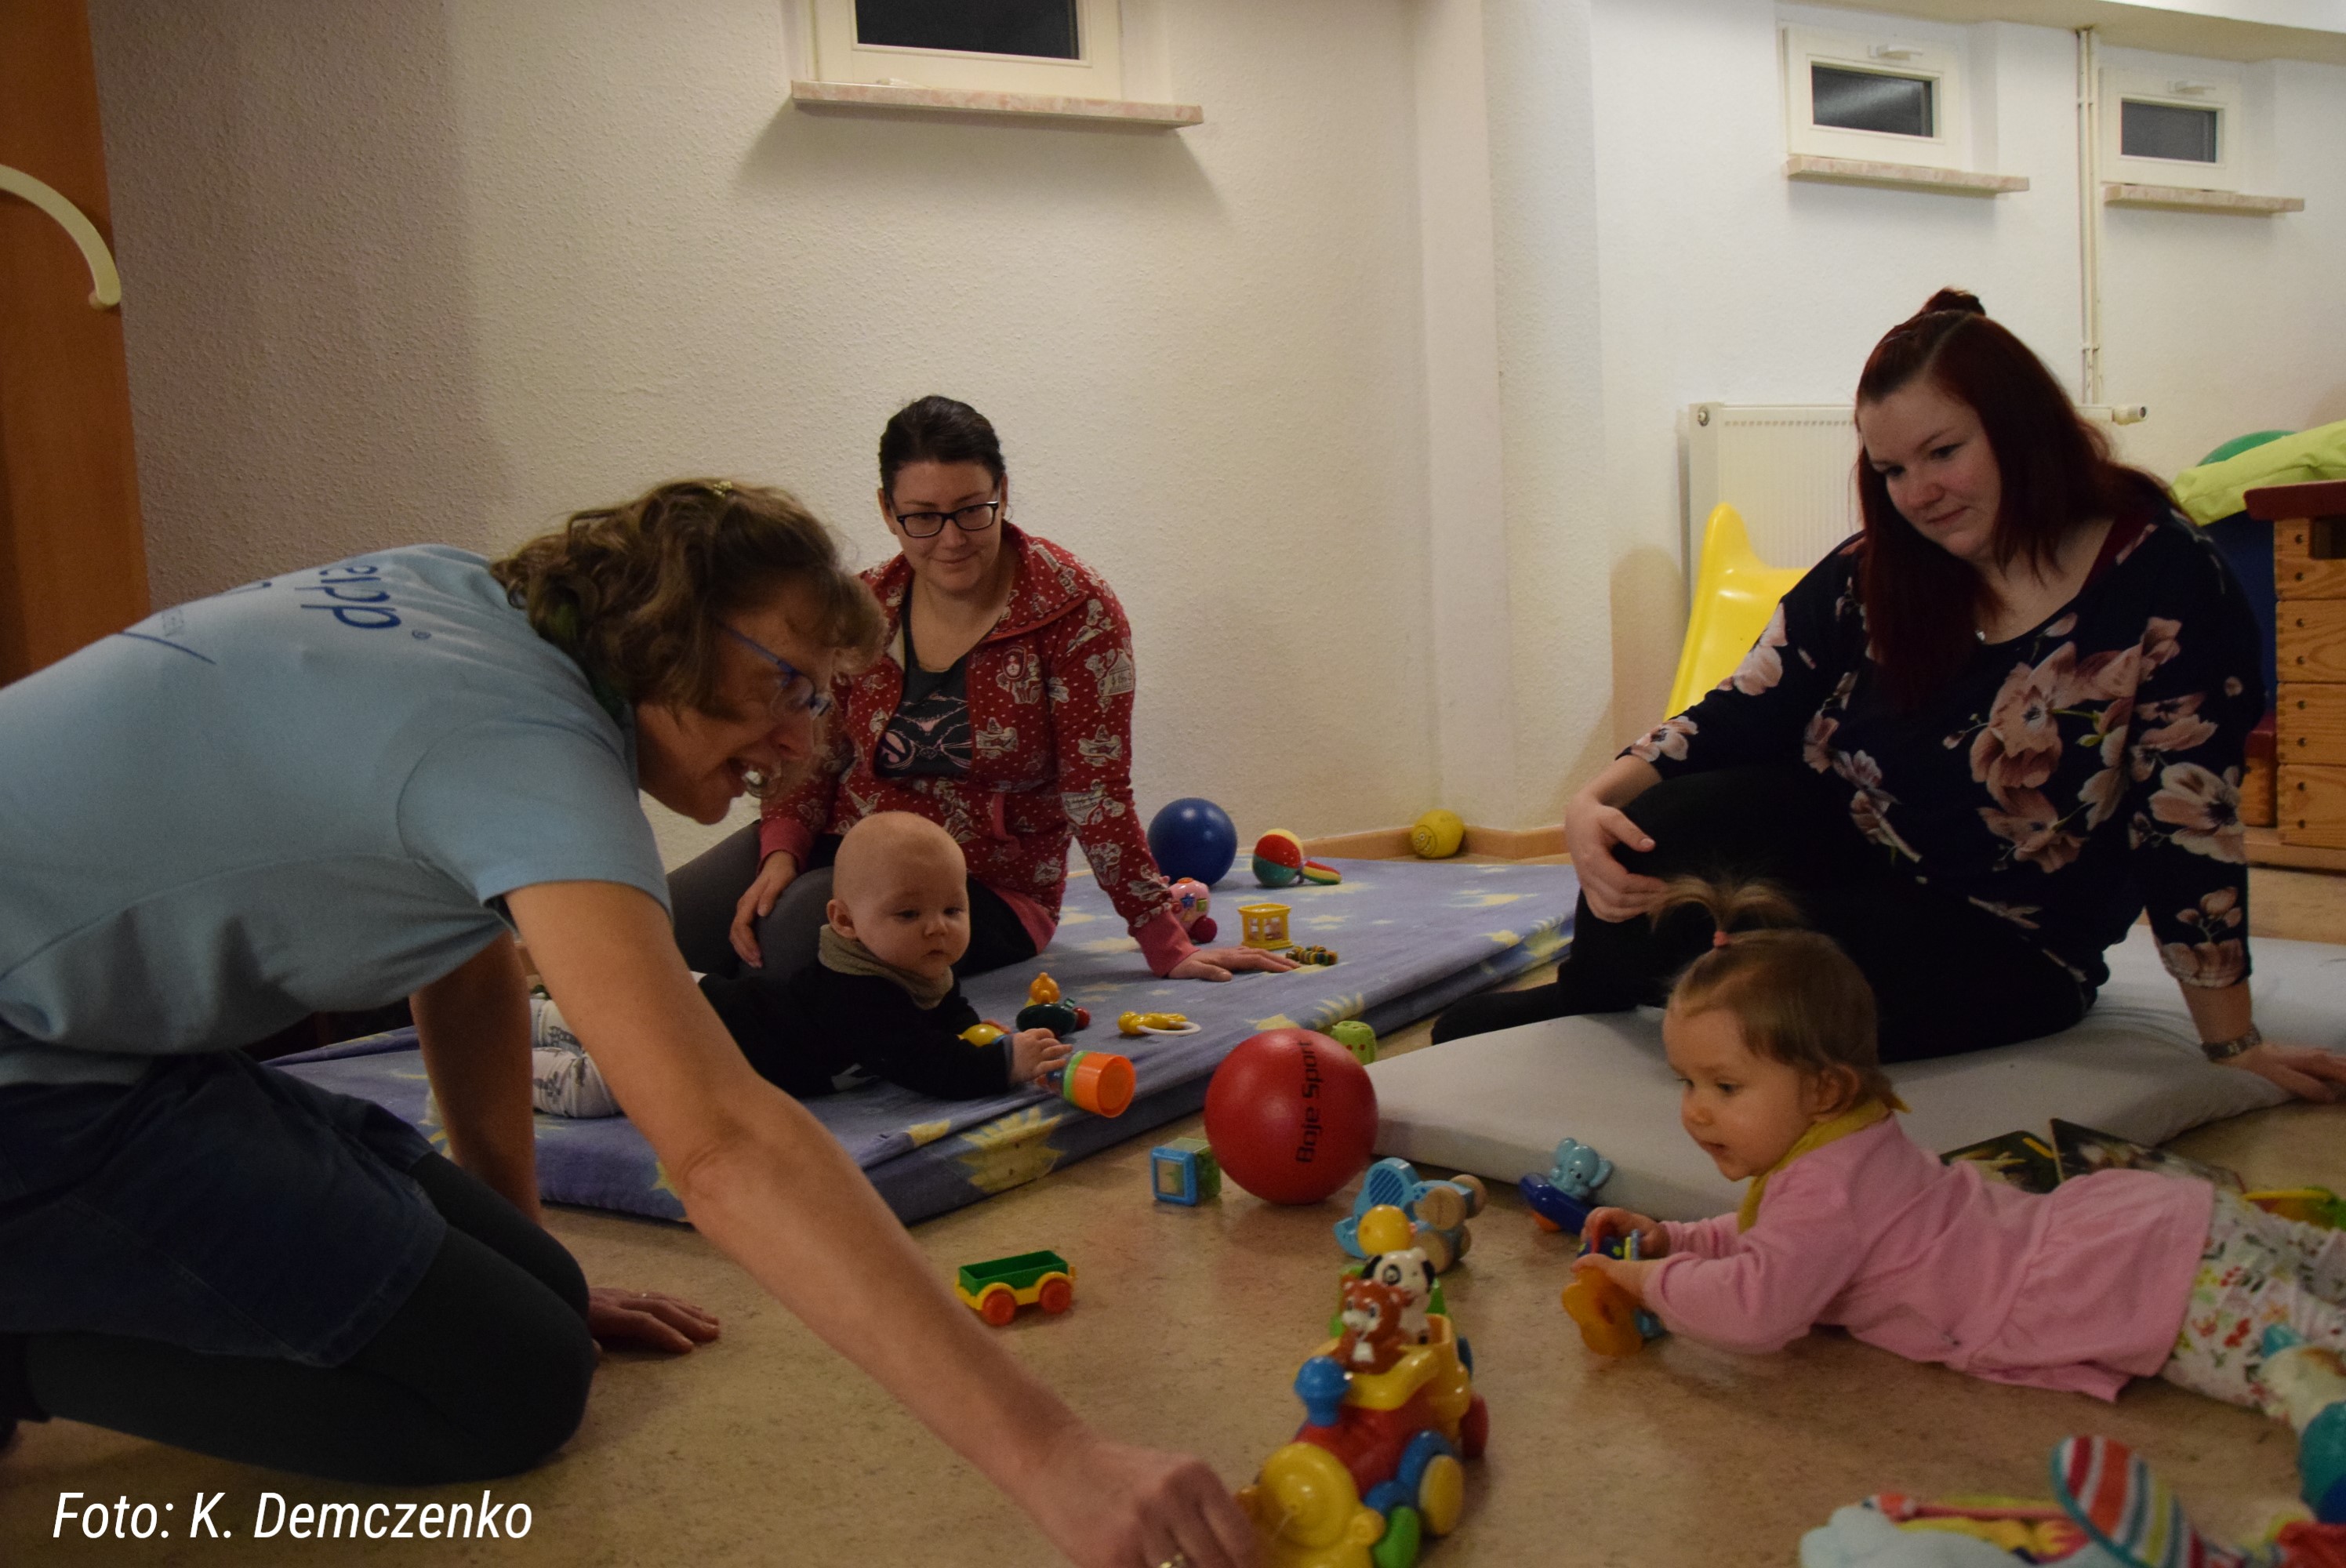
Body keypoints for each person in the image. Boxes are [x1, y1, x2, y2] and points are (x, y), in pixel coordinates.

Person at [0, 480, 1255, 1568]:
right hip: (34, 1082)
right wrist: (1057, 1457)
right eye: (784, 685)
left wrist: (515, 1235)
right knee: (510, 1387)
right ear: (665, 627)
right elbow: (719, 1147)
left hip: (99, 1043)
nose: (806, 743)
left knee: (535, 1297)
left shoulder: (478, 606)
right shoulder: (529, 752)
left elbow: (469, 950)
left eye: (824, 701)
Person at [1436, 289, 2344, 1102]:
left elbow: (2185, 822)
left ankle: (1684, 991)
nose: (1918, 493)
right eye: (1891, 470)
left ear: (2020, 428)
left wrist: (2232, 1044)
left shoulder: (2166, 580)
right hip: (1853, 844)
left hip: (2007, 932)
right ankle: (1599, 992)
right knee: (1667, 820)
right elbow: (1746, 701)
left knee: (1797, 976)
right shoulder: (1880, 569)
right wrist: (1592, 800)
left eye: (1942, 452)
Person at [1574, 881, 2346, 1437]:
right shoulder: (1851, 1136)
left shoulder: (1823, 1190)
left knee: (2306, 1360)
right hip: (2143, 1225)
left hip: (2138, 1283)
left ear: (1823, 1087)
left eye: (1725, 1084)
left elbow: (1756, 1306)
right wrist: (1678, 1238)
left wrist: (1646, 1280)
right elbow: (1773, 1240)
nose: (1695, 1108)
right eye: (1688, 1081)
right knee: (2321, 1265)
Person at [670, 395, 1292, 993]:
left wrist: (1164, 940)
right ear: (888, 511)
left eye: (973, 509)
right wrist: (781, 852)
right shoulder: (862, 607)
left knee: (797, 942)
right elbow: (816, 752)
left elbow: (1095, 789)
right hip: (850, 844)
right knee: (666, 923)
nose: (952, 539)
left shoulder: (1077, 612)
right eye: (923, 516)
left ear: (1003, 493)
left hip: (980, 890)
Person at [533, 811, 1071, 1115]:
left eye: (953, 910)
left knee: (593, 1017)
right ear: (844, 923)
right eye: (909, 913)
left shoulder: (919, 967)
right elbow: (925, 1063)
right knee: (590, 1085)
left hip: (702, 999)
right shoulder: (858, 992)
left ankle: (540, 1014)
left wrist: (982, 1036)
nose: (937, 928)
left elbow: (948, 1018)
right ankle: (507, 1041)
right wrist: (1003, 1064)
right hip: (686, 1038)